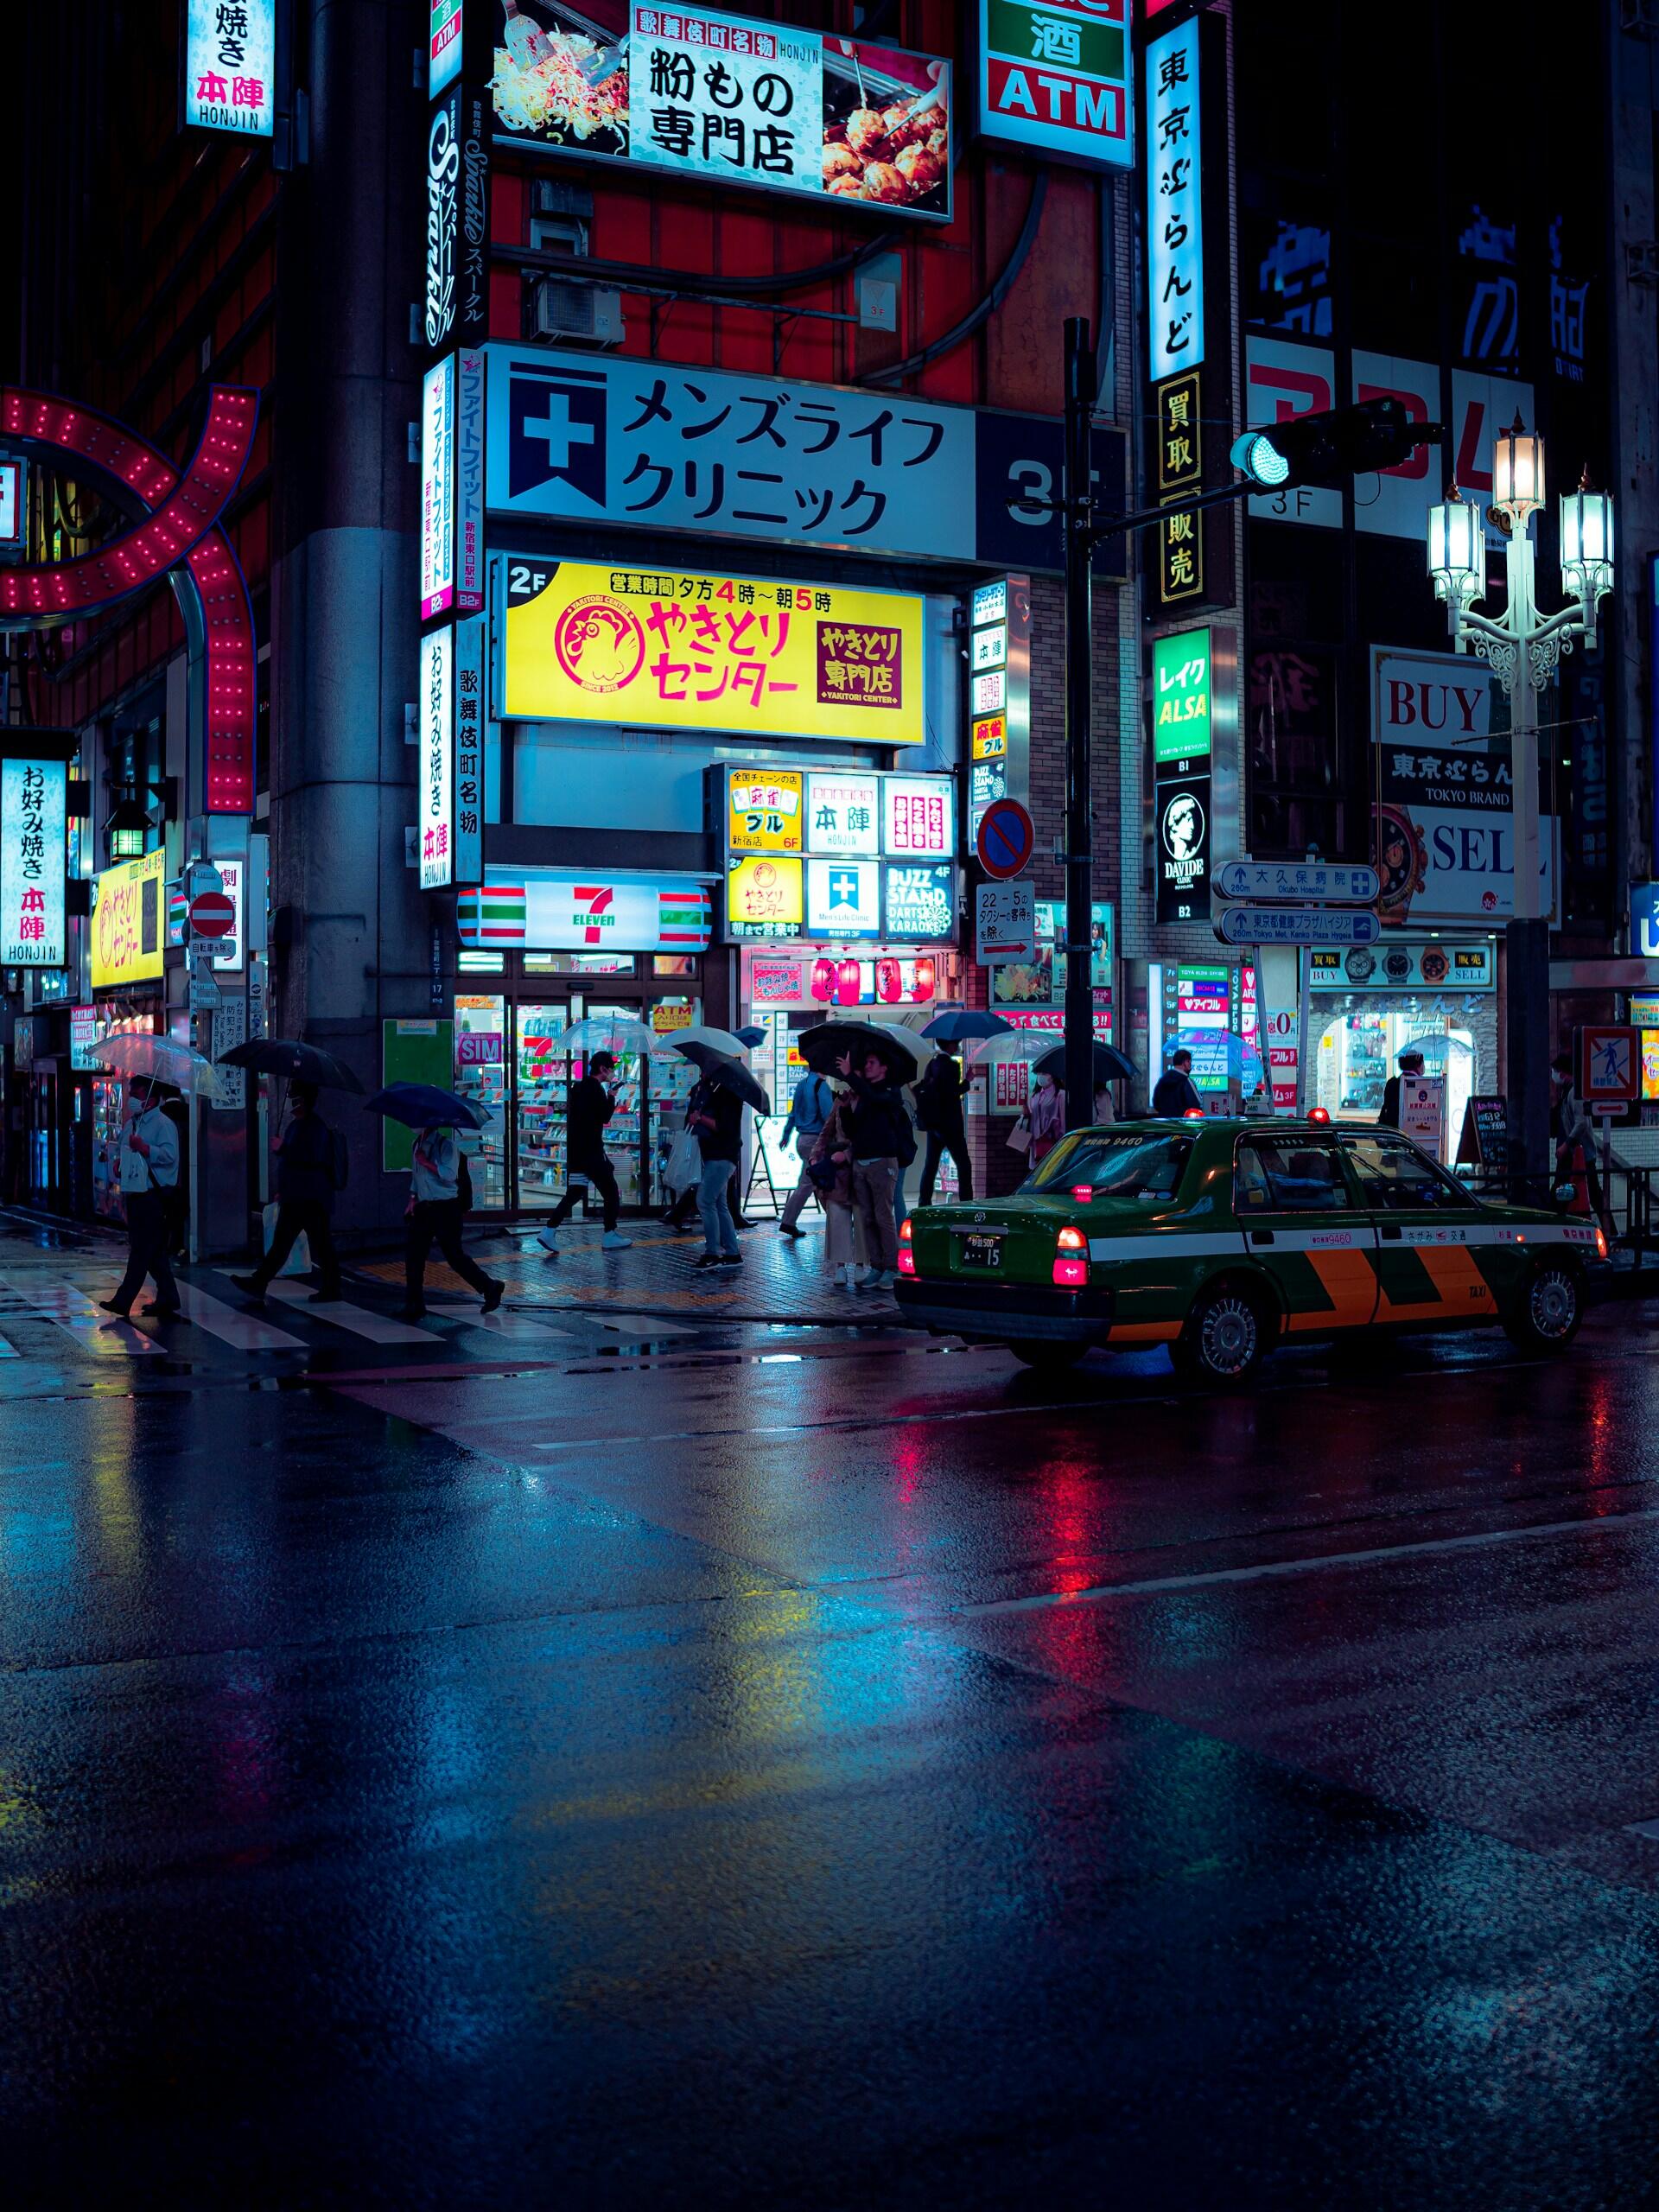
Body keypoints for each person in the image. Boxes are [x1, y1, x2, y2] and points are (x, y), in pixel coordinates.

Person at [231, 1081, 343, 1306]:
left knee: (317, 1244)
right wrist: (282, 1190)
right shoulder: (296, 1126)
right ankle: (260, 1282)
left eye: (295, 1096)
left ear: (303, 1100)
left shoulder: (315, 1127)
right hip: (297, 1197)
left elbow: (311, 1159)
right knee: (287, 1243)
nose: (292, 1101)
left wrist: (283, 1149)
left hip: (311, 1198)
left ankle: (330, 1287)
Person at [402, 1122, 505, 1319]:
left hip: (446, 1208)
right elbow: (417, 1177)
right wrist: (412, 1198)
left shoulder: (447, 1146)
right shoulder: (416, 1144)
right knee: (414, 1256)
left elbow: (449, 1175)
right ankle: (414, 1304)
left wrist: (425, 1162)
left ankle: (490, 1287)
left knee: (455, 1257)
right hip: (424, 1207)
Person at [100, 1077, 182, 1319]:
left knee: (140, 1250)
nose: (131, 1100)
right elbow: (122, 1151)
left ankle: (123, 1300)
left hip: (153, 1195)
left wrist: (146, 1148)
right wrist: (118, 1164)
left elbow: (170, 1156)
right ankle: (169, 1296)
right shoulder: (131, 1124)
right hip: (135, 1193)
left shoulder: (163, 1124)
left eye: (135, 1095)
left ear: (150, 1098)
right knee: (153, 1251)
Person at [539, 1050, 632, 1255]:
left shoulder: (578, 1088)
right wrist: (611, 1096)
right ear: (603, 1069)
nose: (613, 1072)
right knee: (611, 1192)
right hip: (591, 1153)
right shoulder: (596, 1089)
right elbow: (604, 1117)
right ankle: (609, 1234)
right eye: (611, 1068)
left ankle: (549, 1230)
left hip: (577, 1153)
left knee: (575, 1192)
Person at [837, 1047, 906, 1285]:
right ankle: (876, 1266)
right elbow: (852, 1131)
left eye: (872, 1061)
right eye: (866, 1062)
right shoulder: (864, 1095)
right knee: (866, 1218)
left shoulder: (890, 1091)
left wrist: (850, 1076)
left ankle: (891, 1266)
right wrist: (845, 1107)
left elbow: (877, 1099)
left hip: (882, 1161)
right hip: (861, 1162)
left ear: (884, 1067)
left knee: (883, 1216)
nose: (867, 1066)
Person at [810, 1085, 865, 1288]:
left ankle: (861, 1265)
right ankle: (840, 1266)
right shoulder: (840, 1101)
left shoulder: (870, 1099)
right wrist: (815, 1156)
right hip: (838, 1170)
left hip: (861, 1168)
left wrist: (849, 1154)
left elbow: (872, 1137)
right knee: (837, 1216)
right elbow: (826, 1132)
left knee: (861, 1218)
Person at [690, 1071, 743, 1269]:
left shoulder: (728, 1093)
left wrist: (700, 1118)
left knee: (705, 1200)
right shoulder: (708, 1090)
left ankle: (712, 1252)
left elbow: (723, 1126)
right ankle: (732, 1252)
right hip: (713, 1154)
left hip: (723, 1155)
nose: (703, 1072)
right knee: (719, 1204)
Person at [1553, 1052, 1610, 1230]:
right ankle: (1610, 1233)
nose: (1553, 1076)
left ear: (1563, 1073)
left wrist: (1565, 1144)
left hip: (1579, 1153)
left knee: (1587, 1193)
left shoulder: (1575, 1092)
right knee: (1565, 1190)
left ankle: (1612, 1233)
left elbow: (1581, 1123)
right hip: (1575, 1153)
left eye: (1554, 1071)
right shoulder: (1568, 1092)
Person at [777, 1065, 836, 1236]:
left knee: (810, 1182)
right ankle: (837, 1220)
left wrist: (786, 1134)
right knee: (814, 1182)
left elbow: (793, 1113)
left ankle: (789, 1221)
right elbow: (829, 1116)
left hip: (801, 1138)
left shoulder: (801, 1085)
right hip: (816, 1141)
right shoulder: (821, 1086)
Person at [915, 1039, 973, 1205]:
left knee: (930, 1165)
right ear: (950, 1046)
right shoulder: (952, 1066)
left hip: (933, 1123)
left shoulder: (931, 1064)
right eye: (956, 1043)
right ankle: (966, 1202)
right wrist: (967, 1081)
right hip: (950, 1124)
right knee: (964, 1164)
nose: (958, 1046)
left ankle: (924, 1202)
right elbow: (952, 1093)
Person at [1377, 1048, 1425, 1130]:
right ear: (1418, 1065)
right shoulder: (1423, 1084)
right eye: (1423, 1063)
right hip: (1416, 1131)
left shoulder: (1392, 1082)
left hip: (1393, 1132)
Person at [1028, 1071, 1065, 1165]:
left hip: (1054, 1140)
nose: (1041, 1076)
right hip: (1036, 1141)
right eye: (1039, 1073)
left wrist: (1062, 1137)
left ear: (1053, 1077)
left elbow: (1063, 1120)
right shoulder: (1034, 1096)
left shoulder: (1060, 1094)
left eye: (1045, 1073)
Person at [1153, 1049, 1204, 1116]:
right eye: (1189, 1061)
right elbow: (1196, 1104)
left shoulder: (1162, 1080)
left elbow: (1156, 1104)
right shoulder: (1186, 1081)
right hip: (1182, 1124)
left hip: (1165, 1123)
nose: (1190, 1065)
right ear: (1184, 1062)